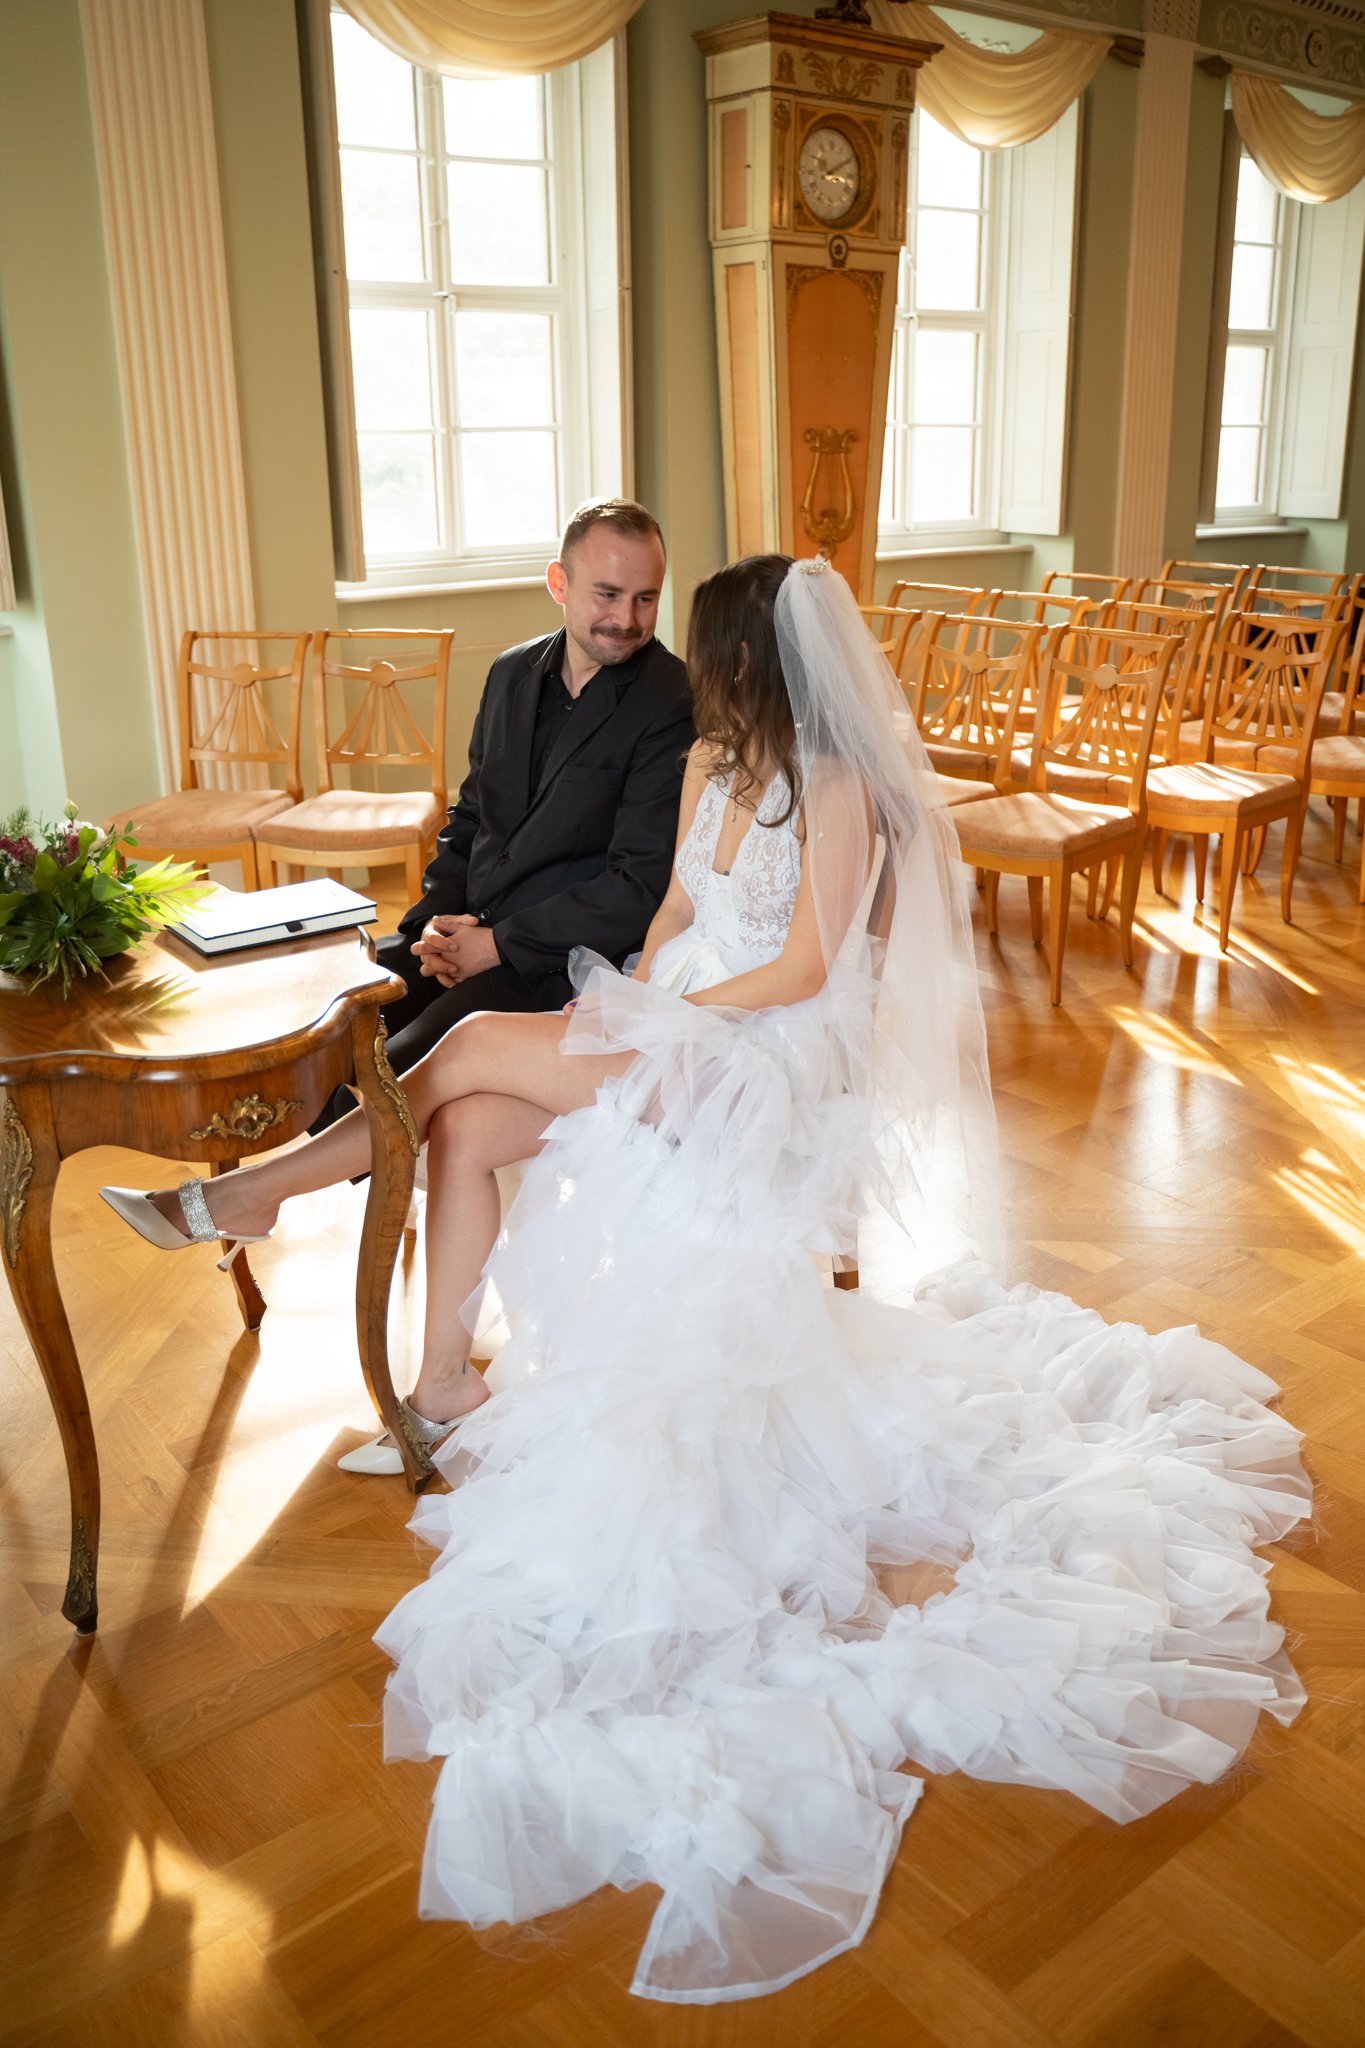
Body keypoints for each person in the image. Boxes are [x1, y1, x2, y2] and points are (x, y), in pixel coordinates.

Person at [100, 556, 1309, 2006]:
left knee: (473, 1053)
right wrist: (644, 990)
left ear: (749, 659)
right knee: (471, 1123)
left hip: (771, 1053)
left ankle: (238, 1200)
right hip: (683, 1019)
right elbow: (677, 908)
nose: (690, 660)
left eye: (713, 646)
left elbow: (806, 966)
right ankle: (438, 1385)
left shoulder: (840, 785)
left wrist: (665, 1016)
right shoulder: (713, 768)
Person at [330, 497, 694, 1098]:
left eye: (645, 598)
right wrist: (434, 930)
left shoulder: (672, 700)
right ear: (560, 581)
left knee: (385, 1076)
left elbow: (638, 884)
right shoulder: (509, 672)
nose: (627, 619)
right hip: (469, 932)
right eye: (607, 594)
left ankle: (259, 1192)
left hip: (557, 962)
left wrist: (496, 945)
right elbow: (471, 816)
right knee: (333, 1023)